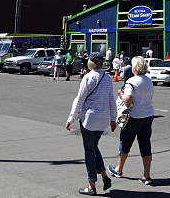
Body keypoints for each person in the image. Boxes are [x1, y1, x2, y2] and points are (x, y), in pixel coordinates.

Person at [66, 52, 116, 196]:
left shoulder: (88, 77)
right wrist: (113, 118)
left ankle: (91, 185)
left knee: (89, 152)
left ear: (91, 63)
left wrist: (71, 119)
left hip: (89, 119)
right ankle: (104, 176)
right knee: (93, 147)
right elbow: (111, 99)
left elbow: (80, 99)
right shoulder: (107, 78)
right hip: (103, 119)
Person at [109, 56, 154, 185]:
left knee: (125, 142)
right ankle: (146, 175)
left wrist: (120, 95)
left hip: (134, 117)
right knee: (145, 144)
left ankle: (118, 169)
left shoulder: (131, 81)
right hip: (148, 115)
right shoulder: (148, 80)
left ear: (134, 67)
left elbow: (127, 99)